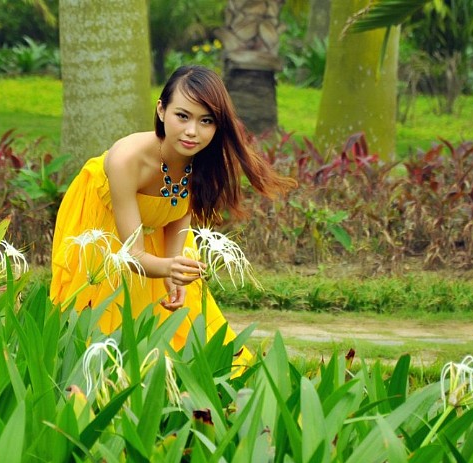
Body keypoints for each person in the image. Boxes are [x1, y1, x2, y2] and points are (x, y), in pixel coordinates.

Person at [50, 65, 295, 353]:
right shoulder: (127, 160)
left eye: (206, 121)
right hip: (102, 222)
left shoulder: (203, 157)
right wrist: (166, 266)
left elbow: (178, 208)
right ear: (161, 110)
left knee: (185, 316)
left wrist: (171, 267)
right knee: (102, 318)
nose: (192, 132)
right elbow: (131, 255)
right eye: (182, 116)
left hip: (157, 226)